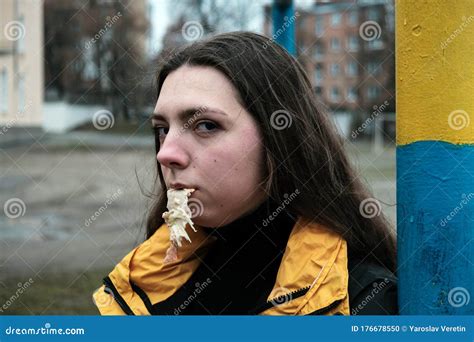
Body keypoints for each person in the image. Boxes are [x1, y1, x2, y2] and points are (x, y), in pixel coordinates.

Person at [93, 31, 397, 315]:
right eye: (162, 129)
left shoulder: (361, 299)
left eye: (206, 125)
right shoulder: (151, 273)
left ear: (279, 138)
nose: (165, 153)